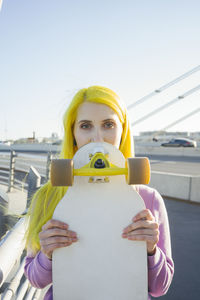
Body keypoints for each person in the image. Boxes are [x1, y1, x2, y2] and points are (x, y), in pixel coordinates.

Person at [24, 85, 174, 300]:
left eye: (108, 125)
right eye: (86, 126)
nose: (98, 138)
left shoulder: (147, 199)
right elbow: (35, 280)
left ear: (122, 131)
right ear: (73, 134)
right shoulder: (49, 197)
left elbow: (160, 287)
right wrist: (46, 255)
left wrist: (151, 251)